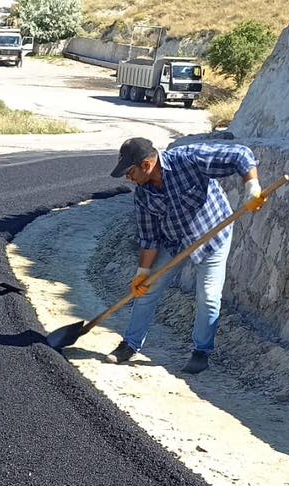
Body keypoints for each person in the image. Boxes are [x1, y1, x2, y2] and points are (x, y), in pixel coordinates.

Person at [107, 135, 262, 375]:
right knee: (146, 291)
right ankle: (130, 344)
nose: (128, 178)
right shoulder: (143, 195)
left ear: (146, 165)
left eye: (130, 172)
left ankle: (201, 351)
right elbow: (149, 237)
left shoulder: (188, 159)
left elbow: (240, 154)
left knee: (208, 296)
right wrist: (142, 273)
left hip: (212, 235)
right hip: (174, 242)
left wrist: (252, 186)